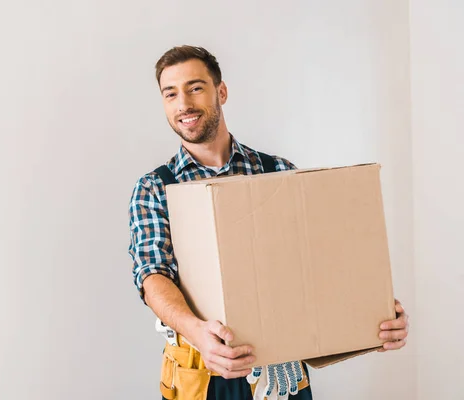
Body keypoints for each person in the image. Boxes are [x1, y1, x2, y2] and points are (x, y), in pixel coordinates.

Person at [127, 45, 410, 400]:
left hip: (283, 372)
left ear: (221, 91)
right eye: (171, 94)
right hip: (204, 373)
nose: (183, 103)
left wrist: (372, 317)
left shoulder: (276, 172)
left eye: (195, 87)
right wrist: (198, 332)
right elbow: (153, 276)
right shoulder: (155, 188)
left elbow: (316, 265)